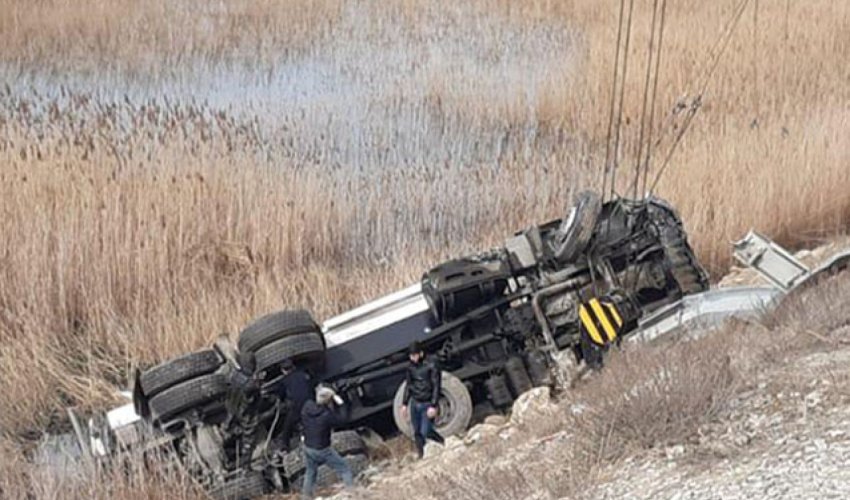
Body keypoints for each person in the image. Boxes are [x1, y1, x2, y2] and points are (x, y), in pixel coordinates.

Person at [300, 386, 353, 499]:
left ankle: (306, 496)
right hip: (322, 449)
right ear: (329, 401)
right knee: (345, 469)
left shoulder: (306, 406)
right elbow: (343, 420)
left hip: (307, 447)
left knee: (310, 471)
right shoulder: (327, 415)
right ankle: (352, 494)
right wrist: (341, 403)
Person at [400, 341, 444, 458]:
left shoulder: (431, 364)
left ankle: (441, 442)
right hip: (415, 402)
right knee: (417, 433)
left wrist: (434, 405)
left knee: (426, 431)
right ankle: (422, 455)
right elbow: (408, 385)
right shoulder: (410, 367)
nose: (413, 358)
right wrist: (404, 403)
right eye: (411, 356)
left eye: (414, 355)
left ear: (421, 353)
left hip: (427, 402)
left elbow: (436, 385)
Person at [225, 351, 262, 466]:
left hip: (230, 407)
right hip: (244, 412)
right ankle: (246, 457)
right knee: (249, 433)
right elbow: (255, 393)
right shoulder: (250, 384)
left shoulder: (233, 375)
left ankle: (229, 448)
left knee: (230, 428)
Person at [273, 358, 314, 451]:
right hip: (310, 402)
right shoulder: (303, 374)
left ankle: (284, 445)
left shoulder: (285, 380)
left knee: (287, 425)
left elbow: (281, 394)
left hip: (298, 407)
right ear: (293, 367)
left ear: (283, 370)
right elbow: (312, 385)